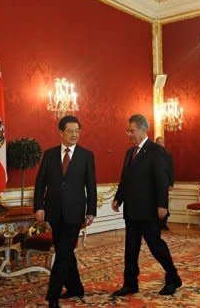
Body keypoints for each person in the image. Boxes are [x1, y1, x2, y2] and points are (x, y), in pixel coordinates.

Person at [111, 114, 181, 298]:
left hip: (149, 210)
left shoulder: (156, 151)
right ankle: (130, 284)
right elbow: (125, 179)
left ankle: (173, 277)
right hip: (132, 210)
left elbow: (161, 179)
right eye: (128, 130)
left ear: (143, 130)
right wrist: (118, 198)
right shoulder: (129, 153)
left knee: (156, 246)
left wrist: (162, 205)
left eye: (131, 130)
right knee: (130, 249)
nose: (129, 134)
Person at [34, 115, 97, 308]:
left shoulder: (86, 155)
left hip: (75, 212)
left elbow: (91, 185)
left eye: (77, 131)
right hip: (54, 212)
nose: (74, 135)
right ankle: (76, 287)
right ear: (61, 132)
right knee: (65, 251)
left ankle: (52, 296)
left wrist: (91, 210)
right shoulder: (50, 154)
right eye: (70, 131)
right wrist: (39, 207)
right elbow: (40, 184)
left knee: (62, 255)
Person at [155, 136, 174, 230]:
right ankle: (156, 222)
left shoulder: (167, 155)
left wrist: (171, 184)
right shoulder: (152, 154)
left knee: (164, 202)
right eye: (159, 143)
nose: (161, 144)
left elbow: (170, 170)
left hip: (165, 183)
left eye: (162, 142)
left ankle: (163, 222)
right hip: (154, 184)